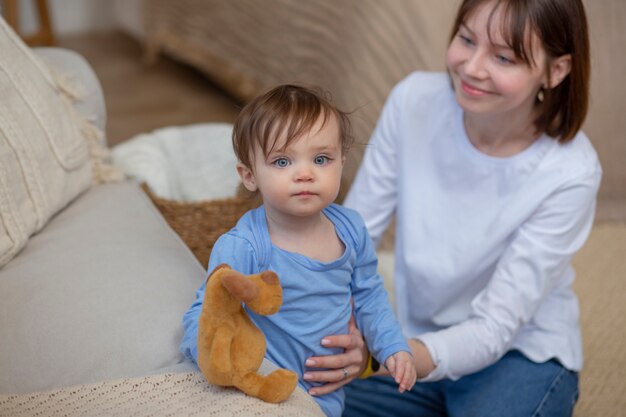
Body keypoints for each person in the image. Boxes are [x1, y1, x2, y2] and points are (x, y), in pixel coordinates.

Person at [302, 0, 602, 416]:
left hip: (515, 357)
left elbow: (496, 327)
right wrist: (347, 330)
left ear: (556, 70)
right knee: (301, 402)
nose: (472, 68)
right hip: (408, 342)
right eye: (466, 39)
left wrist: (384, 353)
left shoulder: (570, 172)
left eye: (503, 57)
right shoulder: (414, 101)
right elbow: (354, 239)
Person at [179, 84, 416, 417]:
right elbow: (208, 311)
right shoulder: (245, 246)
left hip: (327, 396)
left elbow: (369, 296)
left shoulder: (350, 230)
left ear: (341, 162)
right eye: (282, 161)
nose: (305, 173)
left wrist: (392, 345)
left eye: (321, 159)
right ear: (250, 176)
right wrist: (217, 356)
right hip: (258, 392)